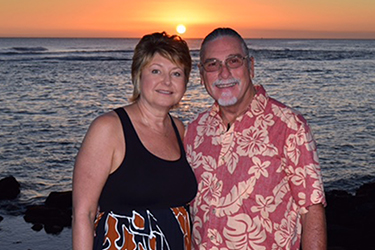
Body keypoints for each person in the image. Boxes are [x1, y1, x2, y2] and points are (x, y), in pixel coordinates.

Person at [184, 28, 327, 249]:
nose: (224, 74)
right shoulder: (194, 131)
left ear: (250, 66)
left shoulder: (288, 126)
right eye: (213, 64)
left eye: (233, 61)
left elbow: (311, 210)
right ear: (202, 75)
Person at [72, 32, 197, 250]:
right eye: (156, 71)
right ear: (139, 75)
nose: (166, 81)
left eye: (176, 73)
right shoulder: (109, 128)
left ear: (185, 82)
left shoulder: (179, 129)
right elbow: (84, 213)